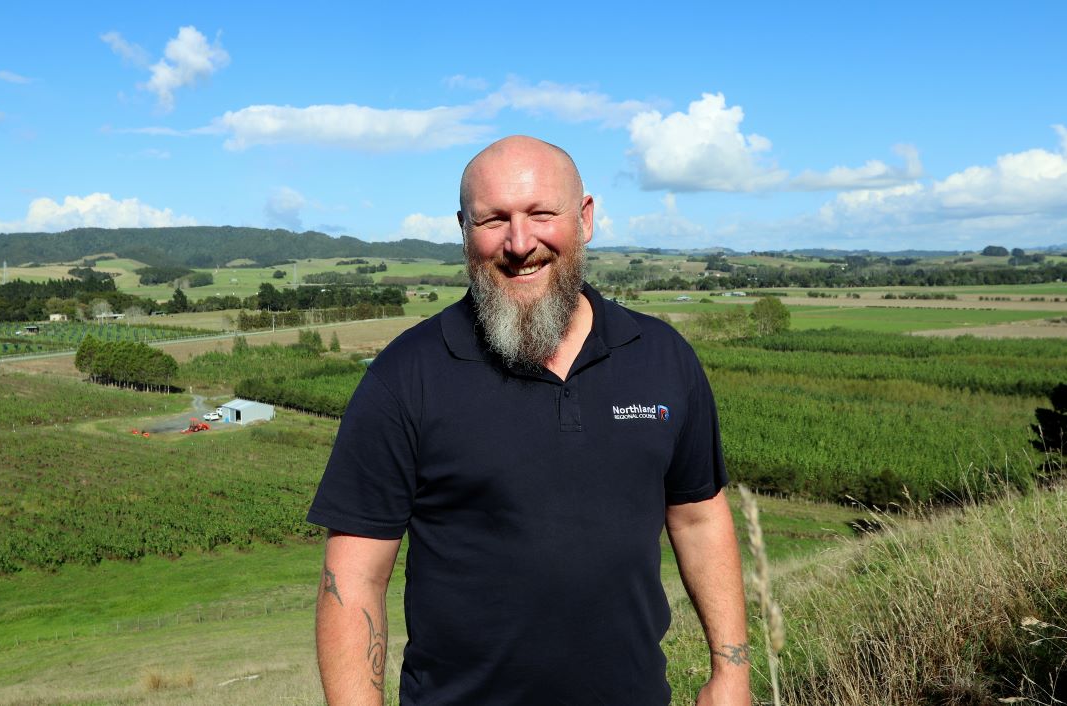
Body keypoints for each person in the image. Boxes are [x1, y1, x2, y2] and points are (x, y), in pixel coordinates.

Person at [309, 135, 750, 705]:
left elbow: (698, 518)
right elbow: (353, 580)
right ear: (464, 230)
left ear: (585, 218)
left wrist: (731, 669)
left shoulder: (662, 357)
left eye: (542, 214)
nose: (521, 244)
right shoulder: (405, 377)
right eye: (494, 220)